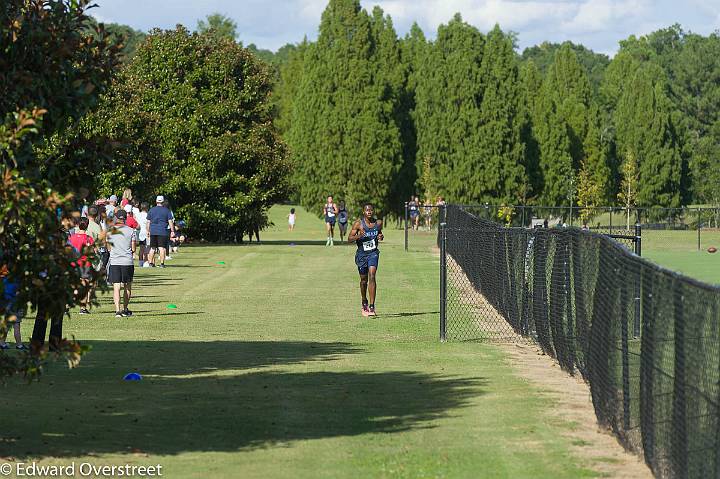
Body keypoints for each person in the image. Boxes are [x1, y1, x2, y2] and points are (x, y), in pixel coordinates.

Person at [348, 203, 384, 317]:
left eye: (371, 210)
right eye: (367, 210)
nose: (369, 211)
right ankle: (364, 301)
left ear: (373, 211)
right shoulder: (358, 224)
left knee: (372, 276)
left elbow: (379, 234)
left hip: (373, 253)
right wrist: (359, 236)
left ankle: (372, 306)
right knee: (364, 281)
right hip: (362, 255)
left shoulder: (378, 223)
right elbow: (349, 239)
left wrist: (380, 236)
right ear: (364, 212)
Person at [107, 209, 136, 318]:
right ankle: (125, 309)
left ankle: (117, 310)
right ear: (125, 218)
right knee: (127, 286)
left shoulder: (110, 231)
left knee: (116, 286)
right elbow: (133, 248)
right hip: (127, 261)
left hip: (115, 261)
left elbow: (109, 247)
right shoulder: (131, 231)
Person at [68, 217, 96, 315]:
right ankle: (83, 308)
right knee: (85, 286)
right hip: (85, 264)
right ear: (87, 225)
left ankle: (67, 306)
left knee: (72, 286)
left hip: (74, 264)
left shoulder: (72, 238)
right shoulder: (89, 238)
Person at [0, 264, 27, 350]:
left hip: (6, 304)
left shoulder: (4, 279)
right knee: (16, 325)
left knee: (6, 325)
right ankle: (19, 345)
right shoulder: (18, 280)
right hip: (16, 304)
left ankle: (2, 343)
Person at [147, 195, 174, 268]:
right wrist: (172, 230)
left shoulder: (151, 210)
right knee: (161, 248)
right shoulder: (167, 210)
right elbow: (170, 221)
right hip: (162, 231)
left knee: (152, 248)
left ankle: (150, 263)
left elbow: (148, 222)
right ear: (163, 202)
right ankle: (162, 264)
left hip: (153, 231)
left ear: (156, 201)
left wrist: (148, 230)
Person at [136, 202, 149, 267]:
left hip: (139, 233)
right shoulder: (147, 215)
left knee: (141, 249)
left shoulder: (138, 214)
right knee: (147, 248)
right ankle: (146, 262)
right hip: (145, 233)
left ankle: (140, 262)